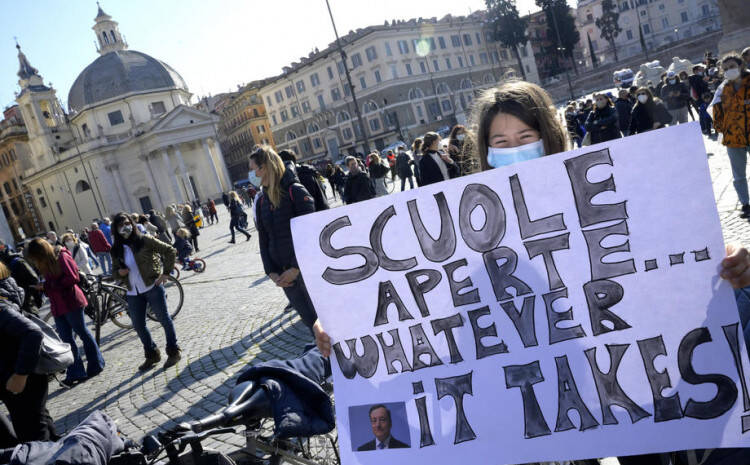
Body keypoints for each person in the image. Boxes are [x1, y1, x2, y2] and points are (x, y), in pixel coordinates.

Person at [314, 79, 750, 465]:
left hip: (632, 374)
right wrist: (342, 324)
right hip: (550, 396)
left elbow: (666, 251)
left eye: (526, 136)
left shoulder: (608, 186)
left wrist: (725, 259)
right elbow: (417, 306)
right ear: (482, 151)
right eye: (500, 143)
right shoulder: (459, 228)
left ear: (550, 137)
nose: (515, 149)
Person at [250, 145, 318, 330]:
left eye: (253, 169)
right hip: (284, 277)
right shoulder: (261, 201)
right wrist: (271, 272)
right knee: (311, 324)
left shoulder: (294, 191)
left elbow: (311, 234)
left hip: (305, 273)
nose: (253, 175)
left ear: (264, 168)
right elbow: (264, 240)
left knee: (325, 324)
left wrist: (296, 268)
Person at [26, 238, 105, 388]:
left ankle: (96, 364)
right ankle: (76, 373)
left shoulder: (62, 256)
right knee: (66, 340)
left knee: (82, 332)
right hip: (58, 305)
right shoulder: (47, 262)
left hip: (71, 302)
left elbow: (73, 277)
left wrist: (50, 286)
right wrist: (45, 287)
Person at [110, 212, 180, 371]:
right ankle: (152, 354)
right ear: (115, 229)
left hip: (152, 287)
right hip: (133, 293)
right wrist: (119, 274)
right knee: (139, 325)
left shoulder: (144, 240)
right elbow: (114, 271)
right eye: (120, 225)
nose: (125, 227)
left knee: (164, 319)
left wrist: (166, 273)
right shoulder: (116, 249)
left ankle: (173, 352)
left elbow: (169, 250)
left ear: (132, 224)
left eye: (127, 223)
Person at [0, 262, 57, 446]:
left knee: (36, 443)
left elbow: (32, 333)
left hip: (23, 381)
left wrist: (20, 375)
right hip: (18, 380)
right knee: (45, 434)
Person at [712, 52, 750, 219]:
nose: (729, 71)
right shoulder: (722, 89)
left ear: (741, 66)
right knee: (738, 175)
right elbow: (715, 112)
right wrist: (722, 129)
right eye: (726, 69)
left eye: (732, 67)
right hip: (733, 139)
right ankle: (746, 204)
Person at [0, 244, 42, 315]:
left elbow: (34, 280)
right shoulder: (14, 262)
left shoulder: (17, 261)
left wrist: (33, 295)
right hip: (14, 305)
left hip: (25, 301)